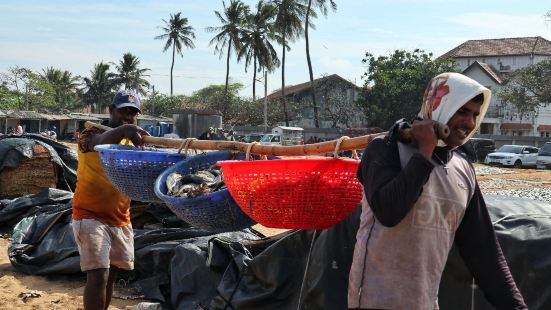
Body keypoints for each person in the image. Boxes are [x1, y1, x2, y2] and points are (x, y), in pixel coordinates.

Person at [348, 73, 526, 309]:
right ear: (437, 106)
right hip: (374, 300)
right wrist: (425, 150)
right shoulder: (385, 149)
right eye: (462, 112)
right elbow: (389, 211)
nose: (470, 123)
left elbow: (484, 253)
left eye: (474, 115)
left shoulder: (463, 170)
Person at [72, 90, 150, 310]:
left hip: (120, 218)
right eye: (123, 111)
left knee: (110, 277)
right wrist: (125, 129)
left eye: (132, 113)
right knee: (98, 276)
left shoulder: (132, 141)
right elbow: (98, 143)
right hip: (90, 215)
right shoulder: (90, 133)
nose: (128, 116)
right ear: (111, 110)